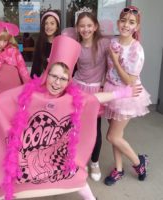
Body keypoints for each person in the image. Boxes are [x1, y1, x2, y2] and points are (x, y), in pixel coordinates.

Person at [0, 35, 141, 200]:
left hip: (55, 160)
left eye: (63, 78)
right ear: (47, 74)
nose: (57, 82)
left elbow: (95, 98)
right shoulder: (29, 94)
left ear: (68, 81)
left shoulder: (71, 98)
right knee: (7, 182)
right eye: (54, 76)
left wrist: (123, 93)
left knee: (78, 176)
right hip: (27, 159)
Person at [103, 6, 151, 186]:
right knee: (118, 134)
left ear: (136, 27)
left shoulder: (136, 49)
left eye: (131, 22)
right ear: (118, 23)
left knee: (112, 136)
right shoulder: (112, 42)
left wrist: (115, 59)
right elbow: (106, 69)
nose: (125, 25)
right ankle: (119, 169)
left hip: (128, 95)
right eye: (123, 21)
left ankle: (139, 162)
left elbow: (129, 80)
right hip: (111, 91)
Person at [62, 8, 110, 182]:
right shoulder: (75, 45)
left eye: (89, 25)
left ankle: (94, 162)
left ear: (95, 26)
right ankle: (74, 161)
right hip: (77, 88)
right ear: (77, 28)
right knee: (74, 128)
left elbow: (115, 60)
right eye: (82, 26)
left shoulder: (104, 43)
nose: (86, 29)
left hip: (96, 91)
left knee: (94, 130)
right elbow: (66, 64)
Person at [30, 10, 61, 78]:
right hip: (44, 80)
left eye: (52, 23)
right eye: (46, 23)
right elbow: (35, 67)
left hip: (59, 82)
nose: (48, 26)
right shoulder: (40, 44)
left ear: (57, 27)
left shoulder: (62, 44)